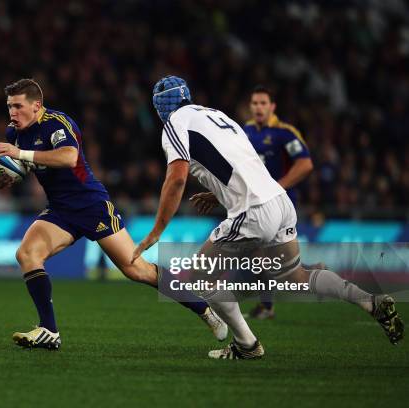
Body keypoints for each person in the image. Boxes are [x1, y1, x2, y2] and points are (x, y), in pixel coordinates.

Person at [133, 75, 403, 359]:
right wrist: (218, 194)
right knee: (295, 276)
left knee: (200, 278)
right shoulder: (215, 115)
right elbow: (243, 161)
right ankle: (369, 301)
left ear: (160, 107)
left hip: (253, 211)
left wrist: (157, 230)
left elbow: (176, 178)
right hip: (279, 201)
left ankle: (247, 345)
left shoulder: (174, 123)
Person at [0, 78, 227, 350]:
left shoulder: (58, 123)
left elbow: (68, 158)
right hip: (60, 211)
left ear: (37, 105)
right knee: (27, 254)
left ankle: (203, 309)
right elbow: (0, 181)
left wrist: (21, 154)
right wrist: (0, 176)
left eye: (18, 106)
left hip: (91, 206)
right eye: (9, 107)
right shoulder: (14, 133)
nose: (12, 113)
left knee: (137, 270)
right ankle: (49, 330)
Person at [241, 85, 314, 319]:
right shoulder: (246, 131)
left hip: (281, 205)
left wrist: (276, 186)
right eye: (255, 103)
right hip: (255, 204)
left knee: (280, 267)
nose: (258, 107)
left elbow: (305, 164)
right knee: (257, 256)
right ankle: (267, 305)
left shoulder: (285, 133)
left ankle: (318, 277)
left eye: (263, 103)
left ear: (272, 107)